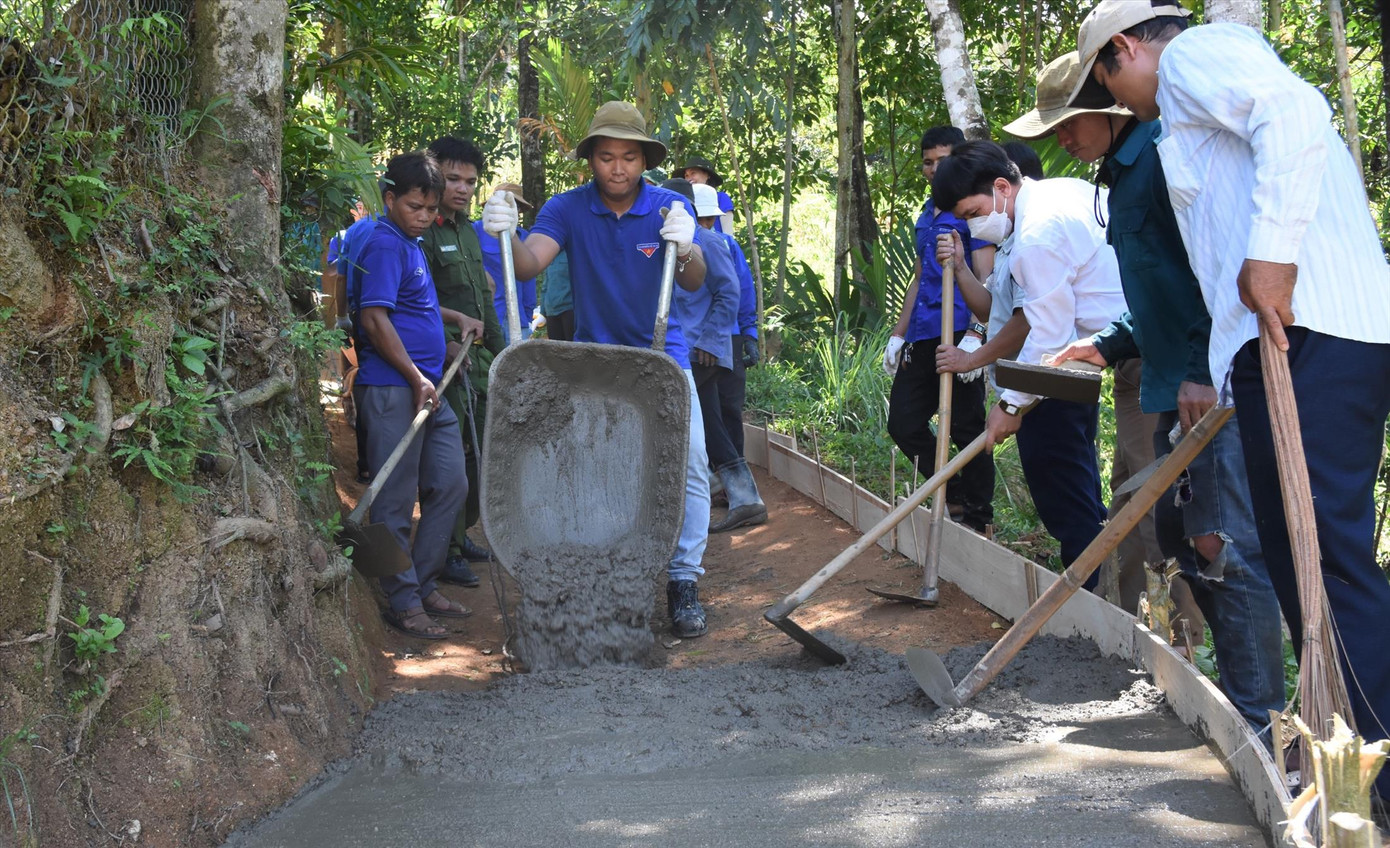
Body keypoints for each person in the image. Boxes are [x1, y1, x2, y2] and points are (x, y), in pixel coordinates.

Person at [1075, 0, 1390, 767]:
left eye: (1109, 84)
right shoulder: (1182, 107)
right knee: (1299, 556)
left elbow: (1290, 112)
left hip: (1307, 329)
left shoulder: (1193, 57)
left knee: (1324, 561)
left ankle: (1371, 769)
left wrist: (1276, 252)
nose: (1119, 103)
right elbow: (1219, 248)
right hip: (1280, 339)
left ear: (1125, 48)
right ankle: (1343, 747)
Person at [1011, 51, 1283, 736]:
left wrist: (1199, 364)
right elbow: (1154, 286)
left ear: (1107, 102)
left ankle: (1257, 717)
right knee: (1180, 536)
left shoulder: (1164, 159)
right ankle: (1231, 685)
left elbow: (1210, 271)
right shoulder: (1121, 177)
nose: (1061, 142)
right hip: (1165, 378)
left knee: (1222, 543)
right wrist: (1106, 343)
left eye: (1069, 125)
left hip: (1207, 380)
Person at [481, 101, 714, 639]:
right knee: (597, 466)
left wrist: (686, 246)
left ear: (643, 160)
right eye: (606, 157)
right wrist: (506, 233)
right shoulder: (567, 209)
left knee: (692, 462)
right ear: (591, 159)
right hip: (595, 363)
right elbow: (528, 264)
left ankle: (682, 580)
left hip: (661, 359)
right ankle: (597, 573)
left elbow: (695, 281)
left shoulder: (666, 208)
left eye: (628, 157)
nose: (617, 168)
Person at [932, 140, 1128, 582]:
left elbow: (1046, 333)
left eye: (971, 212)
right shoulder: (1063, 194)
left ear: (1002, 186)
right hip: (1090, 356)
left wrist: (1011, 406)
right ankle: (1101, 583)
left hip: (1065, 369)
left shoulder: (1036, 233)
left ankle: (1089, 595)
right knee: (1077, 482)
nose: (973, 224)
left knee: (1062, 487)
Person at [349, 151, 483, 639]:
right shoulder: (384, 245)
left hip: (428, 386)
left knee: (451, 484)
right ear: (389, 200)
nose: (425, 217)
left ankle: (422, 583)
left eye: (431, 210)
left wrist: (449, 336)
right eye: (415, 207)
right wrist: (414, 376)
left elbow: (413, 307)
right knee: (396, 499)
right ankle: (402, 601)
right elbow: (373, 318)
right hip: (394, 390)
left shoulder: (410, 243)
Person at [884, 126, 996, 534]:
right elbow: (919, 279)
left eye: (943, 160)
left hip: (961, 335)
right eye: (928, 162)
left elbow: (987, 275)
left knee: (968, 427)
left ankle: (979, 515)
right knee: (904, 423)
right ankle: (951, 489)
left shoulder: (973, 210)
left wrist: (978, 333)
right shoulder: (925, 215)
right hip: (924, 333)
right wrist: (899, 333)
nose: (934, 169)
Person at [420, 136, 506, 587]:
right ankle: (446, 550)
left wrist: (505, 349)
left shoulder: (467, 232)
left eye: (470, 181)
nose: (463, 188)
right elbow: (415, 302)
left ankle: (463, 535)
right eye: (453, 178)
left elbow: (482, 298)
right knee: (454, 456)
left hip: (480, 359)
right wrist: (446, 342)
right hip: (446, 364)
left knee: (483, 451)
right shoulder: (422, 231)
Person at [677, 179, 767, 532]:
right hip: (686, 348)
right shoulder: (673, 242)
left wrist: (718, 341)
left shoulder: (710, 243)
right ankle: (737, 495)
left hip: (705, 350)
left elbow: (732, 293)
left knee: (710, 420)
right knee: (709, 420)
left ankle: (742, 497)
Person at [474, 182, 540, 344]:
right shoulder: (475, 231)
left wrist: (527, 313)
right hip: (487, 318)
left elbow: (528, 281)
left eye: (514, 206)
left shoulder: (524, 237)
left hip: (518, 319)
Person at [673, 155, 735, 234]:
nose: (689, 178)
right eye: (686, 175)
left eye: (693, 173)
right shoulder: (683, 200)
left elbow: (728, 234)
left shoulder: (721, 198)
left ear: (707, 175)